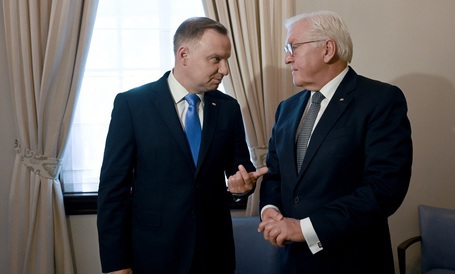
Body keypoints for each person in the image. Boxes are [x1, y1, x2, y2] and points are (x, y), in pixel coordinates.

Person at [97, 17, 268, 274]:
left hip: (214, 255)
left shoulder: (227, 108)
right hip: (153, 256)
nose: (225, 69)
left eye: (227, 59)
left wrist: (243, 186)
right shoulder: (132, 106)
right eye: (216, 59)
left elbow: (239, 171)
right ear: (184, 54)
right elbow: (113, 191)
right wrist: (117, 264)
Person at [258, 10, 412, 274]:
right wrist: (269, 209)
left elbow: (384, 188)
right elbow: (275, 175)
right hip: (291, 262)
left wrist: (305, 228)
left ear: (328, 49)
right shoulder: (287, 108)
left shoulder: (380, 100)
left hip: (352, 261)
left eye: (292, 47)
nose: (286, 58)